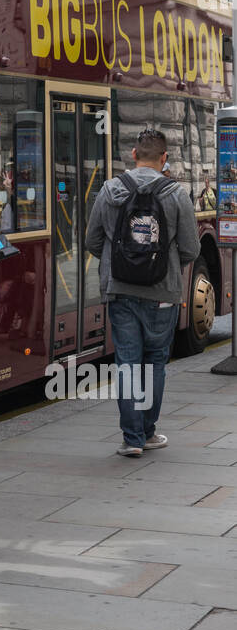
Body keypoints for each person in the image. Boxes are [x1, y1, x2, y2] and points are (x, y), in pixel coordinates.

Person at [86, 128, 200, 457]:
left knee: (127, 363)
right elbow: (191, 249)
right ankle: (148, 432)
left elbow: (93, 241)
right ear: (165, 159)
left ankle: (131, 438)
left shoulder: (111, 189)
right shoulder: (177, 194)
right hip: (162, 293)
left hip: (119, 290)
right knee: (156, 364)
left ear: (133, 155)